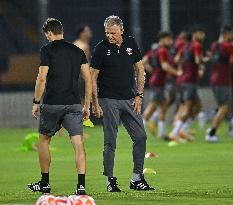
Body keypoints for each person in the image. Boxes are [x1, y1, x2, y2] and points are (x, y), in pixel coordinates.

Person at [27, 18, 92, 195]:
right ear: (61, 31)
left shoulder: (47, 50)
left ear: (49, 33)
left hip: (52, 104)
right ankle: (81, 186)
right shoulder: (78, 50)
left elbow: (41, 78)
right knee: (78, 144)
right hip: (73, 104)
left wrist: (36, 102)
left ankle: (45, 183)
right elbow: (88, 79)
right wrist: (87, 104)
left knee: (44, 142)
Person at [90, 15, 154, 192]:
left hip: (129, 99)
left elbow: (140, 69)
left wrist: (139, 95)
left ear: (121, 31)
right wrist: (95, 103)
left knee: (140, 136)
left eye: (113, 32)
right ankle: (110, 181)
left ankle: (137, 178)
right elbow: (92, 78)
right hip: (109, 100)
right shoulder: (100, 49)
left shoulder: (131, 43)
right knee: (110, 141)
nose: (109, 36)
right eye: (107, 33)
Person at [205, 26, 233, 142]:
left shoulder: (214, 45)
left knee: (223, 107)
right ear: (226, 34)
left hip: (214, 78)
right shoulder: (228, 46)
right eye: (231, 35)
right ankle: (211, 133)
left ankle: (211, 127)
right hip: (222, 80)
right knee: (225, 107)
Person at [168, 26, 205, 142]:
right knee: (188, 108)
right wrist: (203, 61)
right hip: (190, 81)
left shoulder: (184, 47)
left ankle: (182, 129)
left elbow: (176, 60)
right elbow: (198, 60)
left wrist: (185, 64)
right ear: (194, 36)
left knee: (195, 105)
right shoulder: (197, 46)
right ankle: (176, 132)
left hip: (184, 80)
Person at [142, 31, 181, 139]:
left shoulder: (154, 50)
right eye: (169, 39)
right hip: (158, 82)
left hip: (157, 81)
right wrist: (177, 73)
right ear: (163, 40)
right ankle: (139, 134)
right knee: (151, 108)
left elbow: (144, 61)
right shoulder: (163, 50)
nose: (171, 42)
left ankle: (162, 133)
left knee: (163, 105)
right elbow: (165, 66)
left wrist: (153, 72)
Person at [73, 25, 92, 106]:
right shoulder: (83, 46)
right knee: (83, 101)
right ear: (82, 33)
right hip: (80, 77)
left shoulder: (75, 44)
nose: (90, 32)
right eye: (87, 31)